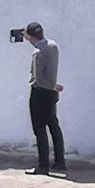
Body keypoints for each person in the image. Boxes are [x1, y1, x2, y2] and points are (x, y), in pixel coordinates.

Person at [22, 22, 66, 176]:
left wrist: (52, 86)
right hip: (51, 95)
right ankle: (60, 162)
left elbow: (39, 80)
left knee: (39, 129)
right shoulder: (53, 46)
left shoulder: (37, 53)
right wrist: (54, 86)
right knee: (54, 126)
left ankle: (43, 166)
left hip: (40, 93)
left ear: (30, 36)